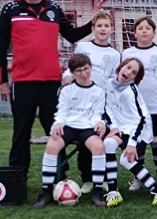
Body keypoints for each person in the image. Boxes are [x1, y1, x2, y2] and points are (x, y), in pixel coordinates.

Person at [0, 0, 92, 170]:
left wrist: (94, 23)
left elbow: (71, 35)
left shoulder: (53, 8)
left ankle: (60, 176)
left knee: (55, 130)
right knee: (21, 131)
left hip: (51, 82)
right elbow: (0, 48)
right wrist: (2, 81)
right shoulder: (10, 9)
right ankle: (18, 176)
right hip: (22, 82)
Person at [32, 54, 106, 208]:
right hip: (69, 126)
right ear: (72, 72)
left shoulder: (99, 91)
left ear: (91, 67)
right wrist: (57, 124)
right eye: (79, 71)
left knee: (98, 147)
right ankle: (46, 192)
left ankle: (98, 192)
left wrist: (99, 122)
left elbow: (97, 113)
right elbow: (62, 112)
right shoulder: (66, 90)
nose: (84, 74)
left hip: (87, 127)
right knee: (52, 146)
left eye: (86, 69)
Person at [62, 9, 121, 194]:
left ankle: (101, 177)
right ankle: (87, 178)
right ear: (93, 29)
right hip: (82, 102)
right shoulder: (83, 48)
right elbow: (71, 69)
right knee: (83, 141)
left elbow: (113, 80)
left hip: (102, 103)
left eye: (106, 26)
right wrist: (66, 76)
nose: (103, 29)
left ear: (112, 29)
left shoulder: (115, 54)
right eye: (99, 26)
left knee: (99, 139)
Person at [103, 57, 157, 208]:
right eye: (128, 67)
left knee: (125, 159)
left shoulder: (130, 91)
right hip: (121, 128)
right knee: (108, 143)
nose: (128, 72)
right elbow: (107, 107)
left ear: (135, 78)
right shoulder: (109, 84)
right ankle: (113, 192)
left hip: (138, 130)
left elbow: (141, 119)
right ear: (121, 66)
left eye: (133, 72)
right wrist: (113, 127)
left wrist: (132, 143)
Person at [122, 17, 157, 192]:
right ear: (134, 32)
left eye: (148, 28)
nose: (144, 31)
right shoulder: (127, 54)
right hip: (135, 110)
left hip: (156, 108)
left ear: (154, 32)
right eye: (140, 28)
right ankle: (139, 178)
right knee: (138, 144)